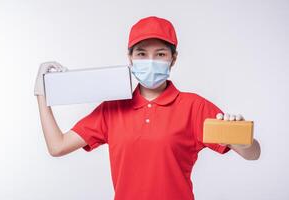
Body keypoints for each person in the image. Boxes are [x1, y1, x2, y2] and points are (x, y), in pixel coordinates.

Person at [34, 16, 261, 200]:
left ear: (173, 58)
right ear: (130, 58)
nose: (150, 60)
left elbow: (253, 154)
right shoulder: (112, 109)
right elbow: (58, 146)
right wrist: (42, 92)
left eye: (160, 54)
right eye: (142, 53)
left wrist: (241, 139)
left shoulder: (194, 107)